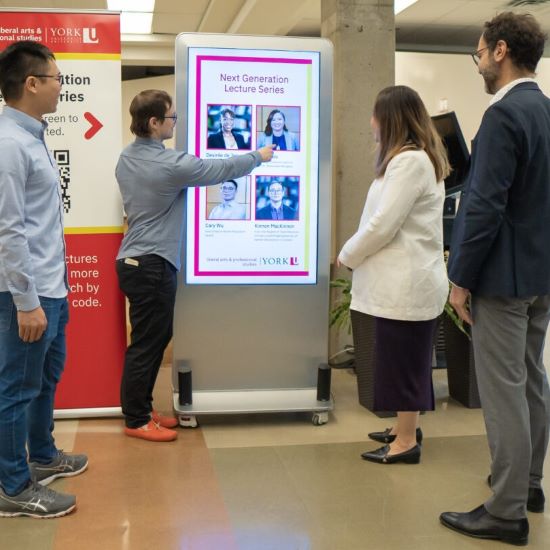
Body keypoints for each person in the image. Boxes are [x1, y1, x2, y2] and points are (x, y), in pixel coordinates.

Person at [440, 13, 550, 546]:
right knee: (530, 377)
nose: (479, 61)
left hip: (502, 279)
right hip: (539, 272)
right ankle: (528, 483)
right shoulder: (546, 110)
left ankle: (506, 511)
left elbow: (483, 205)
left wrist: (460, 278)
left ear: (501, 50)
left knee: (503, 389)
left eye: (479, 52)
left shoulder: (504, 116)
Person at [116, 90, 274, 442]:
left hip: (134, 259)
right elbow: (219, 169)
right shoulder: (169, 165)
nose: (176, 122)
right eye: (171, 117)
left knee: (151, 339)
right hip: (152, 263)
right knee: (147, 343)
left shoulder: (126, 158)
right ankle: (137, 418)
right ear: (154, 123)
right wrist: (258, 156)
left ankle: (142, 408)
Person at [337, 85, 450, 466]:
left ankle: (405, 442)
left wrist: (347, 254)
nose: (370, 123)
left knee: (405, 362)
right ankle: (405, 428)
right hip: (403, 282)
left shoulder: (410, 162)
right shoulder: (411, 160)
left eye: (375, 115)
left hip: (406, 284)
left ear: (390, 120)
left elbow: (383, 224)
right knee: (404, 359)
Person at [0, 41, 88, 519]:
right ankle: (12, 487)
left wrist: (55, 289)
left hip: (52, 287)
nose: (61, 85)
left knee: (45, 377)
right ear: (31, 84)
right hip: (26, 295)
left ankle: (43, 456)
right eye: (56, 78)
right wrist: (26, 301)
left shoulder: (32, 136)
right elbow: (8, 230)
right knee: (16, 386)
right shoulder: (10, 144)